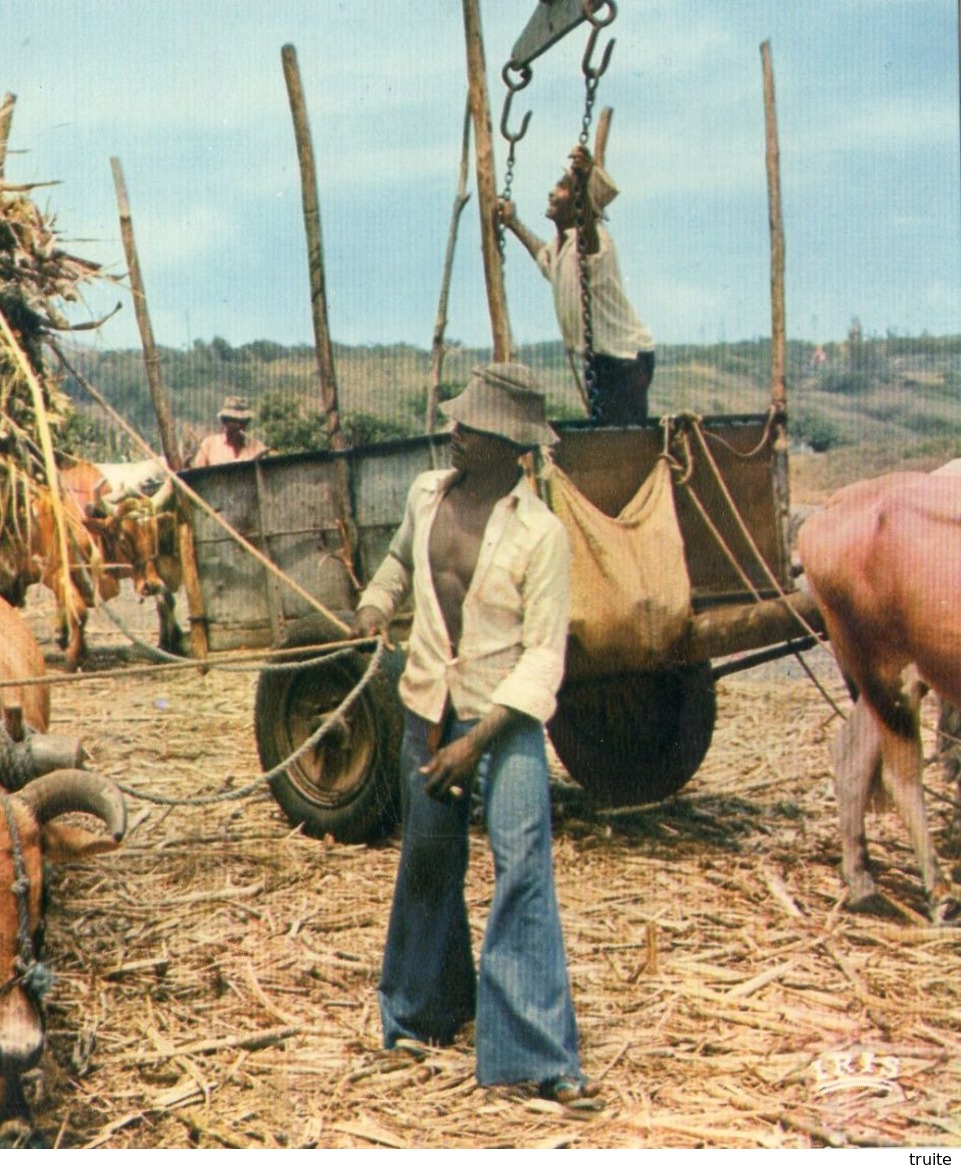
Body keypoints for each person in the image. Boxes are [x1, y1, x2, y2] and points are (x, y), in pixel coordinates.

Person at [350, 362, 597, 1106]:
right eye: (458, 421)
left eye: (470, 425)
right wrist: (373, 604)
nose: (453, 431)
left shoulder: (541, 534)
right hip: (427, 704)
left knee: (521, 865)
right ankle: (422, 1016)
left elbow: (543, 655)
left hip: (501, 722)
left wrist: (475, 741)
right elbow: (397, 563)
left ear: (508, 445)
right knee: (427, 859)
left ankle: (532, 1056)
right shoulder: (427, 494)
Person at [497, 146, 654, 425]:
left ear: (580, 204)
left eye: (562, 188)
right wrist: (512, 222)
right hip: (602, 359)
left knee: (620, 442)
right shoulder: (561, 246)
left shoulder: (597, 243)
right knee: (607, 434)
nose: (551, 193)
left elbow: (588, 244)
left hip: (625, 361)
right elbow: (542, 256)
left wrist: (581, 182)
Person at [190, 395, 268, 467]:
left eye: (242, 421)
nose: (238, 425)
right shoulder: (209, 445)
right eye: (233, 421)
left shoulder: (257, 448)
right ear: (225, 421)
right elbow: (197, 474)